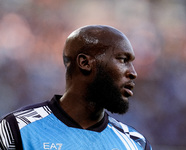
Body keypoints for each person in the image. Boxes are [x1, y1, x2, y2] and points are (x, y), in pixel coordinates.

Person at [0, 25, 152, 150]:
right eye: (123, 60)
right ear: (85, 63)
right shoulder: (17, 129)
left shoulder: (136, 143)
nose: (133, 73)